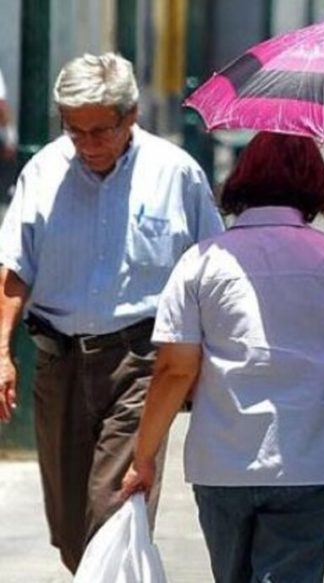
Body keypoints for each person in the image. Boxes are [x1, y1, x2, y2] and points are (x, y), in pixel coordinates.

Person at [120, 132, 324, 582]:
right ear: (314, 182)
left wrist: (144, 455)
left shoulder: (200, 262)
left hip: (222, 463)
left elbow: (175, 370)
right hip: (313, 462)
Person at [0, 52, 223, 572]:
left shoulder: (175, 174)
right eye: (75, 131)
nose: (88, 145)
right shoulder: (44, 172)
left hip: (141, 362)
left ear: (131, 116)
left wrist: (207, 361)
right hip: (58, 364)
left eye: (101, 130)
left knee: (114, 511)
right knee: (72, 531)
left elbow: (213, 267)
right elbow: (13, 271)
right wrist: (3, 351)